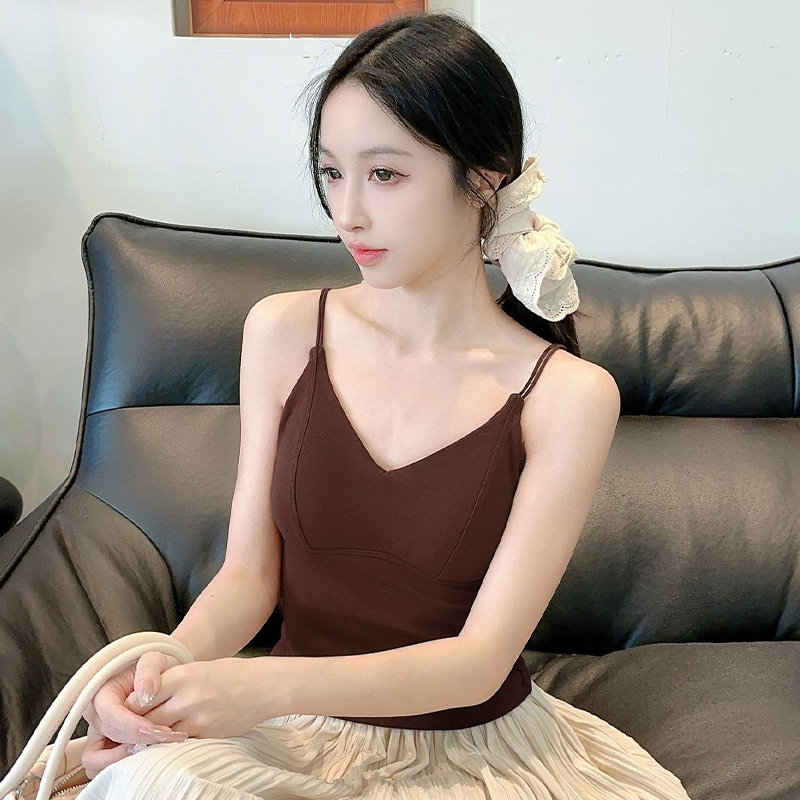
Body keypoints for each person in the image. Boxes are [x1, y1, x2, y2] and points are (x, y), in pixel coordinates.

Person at [73, 11, 692, 800]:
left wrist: (262, 686)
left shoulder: (568, 396)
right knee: (153, 784)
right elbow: (248, 577)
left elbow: (478, 663)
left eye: (385, 175)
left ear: (484, 177)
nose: (348, 214)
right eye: (332, 173)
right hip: (288, 733)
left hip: (471, 756)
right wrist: (164, 678)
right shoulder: (282, 331)